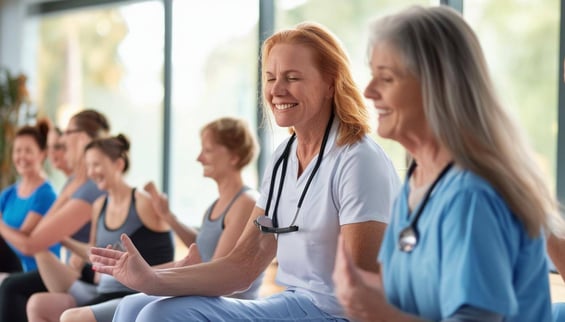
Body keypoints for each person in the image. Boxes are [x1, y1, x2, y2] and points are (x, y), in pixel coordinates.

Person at [90, 22, 400, 321]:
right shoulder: (282, 160)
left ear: (331, 83)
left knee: (162, 315)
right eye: (270, 77)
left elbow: (364, 286)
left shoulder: (357, 159)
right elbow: (243, 265)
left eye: (292, 78)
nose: (277, 89)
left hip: (340, 314)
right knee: (135, 307)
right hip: (292, 301)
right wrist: (151, 280)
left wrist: (157, 280)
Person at [332, 5, 559, 322]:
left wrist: (379, 313)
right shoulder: (417, 181)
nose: (368, 91)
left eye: (386, 78)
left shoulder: (471, 197)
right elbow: (412, 294)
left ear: (436, 87)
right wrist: (356, 289)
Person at [26, 134, 174, 322]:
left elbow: (167, 250)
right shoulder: (99, 205)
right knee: (38, 303)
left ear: (118, 165)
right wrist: (62, 239)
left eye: (96, 164)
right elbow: (94, 251)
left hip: (134, 294)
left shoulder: (142, 202)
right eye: (88, 166)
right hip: (102, 289)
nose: (91, 172)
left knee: (71, 317)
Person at [0, 109, 109, 322]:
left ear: (83, 138)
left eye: (67, 133)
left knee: (11, 287)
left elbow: (33, 242)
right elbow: (41, 231)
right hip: (73, 269)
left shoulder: (91, 189)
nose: (62, 138)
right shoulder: (73, 183)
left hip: (87, 276)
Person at [0, 120, 59, 277]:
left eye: (28, 151)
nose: (21, 156)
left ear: (42, 154)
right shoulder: (9, 193)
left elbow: (22, 243)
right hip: (10, 268)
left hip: (37, 272)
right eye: (17, 150)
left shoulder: (46, 195)